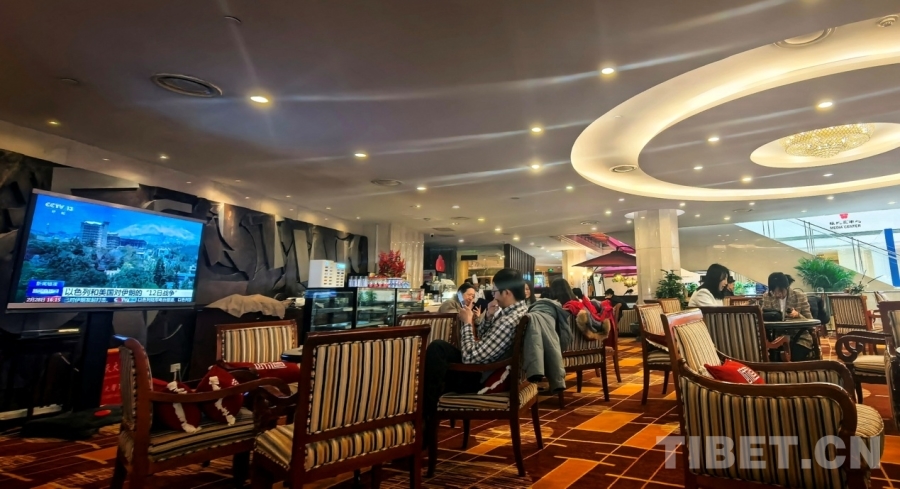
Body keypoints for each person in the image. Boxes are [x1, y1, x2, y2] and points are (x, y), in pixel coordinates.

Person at [423, 269, 529, 428]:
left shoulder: (509, 320)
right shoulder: (518, 312)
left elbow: (470, 358)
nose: (494, 297)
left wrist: (467, 323)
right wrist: (488, 318)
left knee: (436, 351)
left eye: (495, 292)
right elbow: (485, 340)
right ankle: (427, 414)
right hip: (490, 367)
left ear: (507, 292)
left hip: (481, 377)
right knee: (438, 356)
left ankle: (426, 419)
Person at [761, 272, 814, 360]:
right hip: (776, 338)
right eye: (774, 292)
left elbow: (810, 322)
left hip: (799, 338)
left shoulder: (799, 296)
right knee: (772, 358)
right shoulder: (767, 296)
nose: (778, 295)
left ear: (787, 287)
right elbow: (763, 317)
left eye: (781, 291)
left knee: (794, 356)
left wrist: (798, 315)